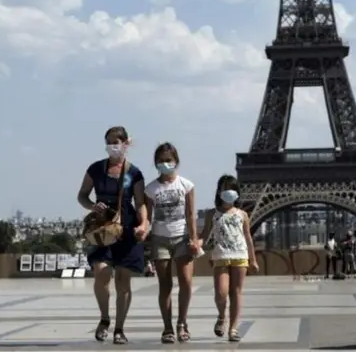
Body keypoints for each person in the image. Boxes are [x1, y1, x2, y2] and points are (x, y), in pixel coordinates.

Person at [77, 126, 149, 345]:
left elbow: (140, 203)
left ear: (126, 143)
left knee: (123, 280)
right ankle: (104, 318)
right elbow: (81, 195)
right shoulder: (96, 169)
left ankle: (119, 327)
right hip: (103, 224)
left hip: (126, 225)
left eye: (116, 142)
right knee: (100, 271)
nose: (112, 146)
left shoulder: (134, 173)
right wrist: (92, 206)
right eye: (109, 142)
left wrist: (144, 223)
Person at [144, 142, 200, 344]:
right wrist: (144, 231)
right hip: (160, 239)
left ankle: (182, 322)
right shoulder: (151, 189)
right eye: (161, 161)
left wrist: (194, 238)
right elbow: (148, 216)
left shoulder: (186, 185)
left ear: (176, 161)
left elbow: (191, 214)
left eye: (168, 160)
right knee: (164, 285)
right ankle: (167, 326)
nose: (165, 164)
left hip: (182, 237)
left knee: (186, 282)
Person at [199, 175, 259, 342]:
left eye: (232, 188)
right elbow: (205, 234)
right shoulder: (212, 213)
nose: (229, 192)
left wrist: (253, 259)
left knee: (236, 293)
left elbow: (248, 238)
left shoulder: (243, 214)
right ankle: (221, 316)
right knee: (221, 293)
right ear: (219, 192)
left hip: (240, 256)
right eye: (225, 188)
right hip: (220, 255)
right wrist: (197, 244)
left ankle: (233, 328)